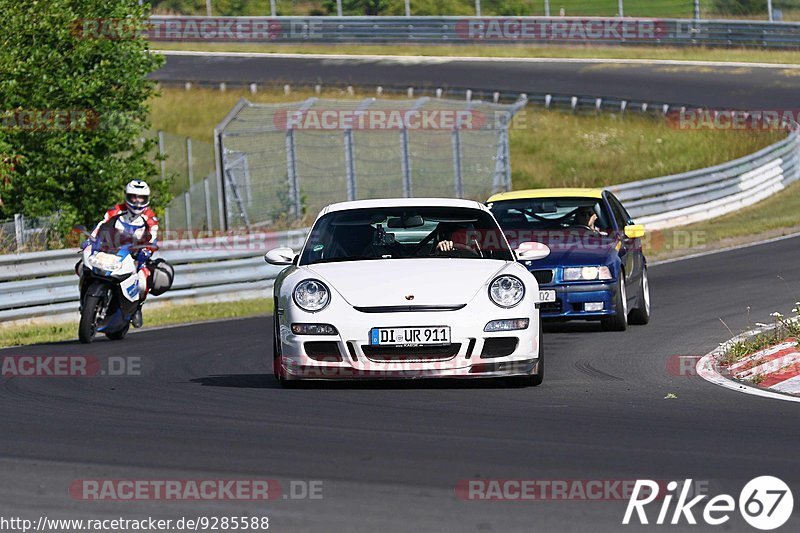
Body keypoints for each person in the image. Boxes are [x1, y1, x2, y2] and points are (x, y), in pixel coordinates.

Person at [85, 180, 159, 328]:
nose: (137, 202)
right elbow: (100, 225)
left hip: (134, 254)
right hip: (109, 248)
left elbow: (154, 236)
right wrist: (90, 240)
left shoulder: (150, 217)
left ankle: (137, 307)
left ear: (147, 199)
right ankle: (85, 298)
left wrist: (147, 250)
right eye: (134, 197)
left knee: (143, 281)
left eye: (141, 198)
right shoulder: (116, 210)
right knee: (82, 266)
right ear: (127, 196)